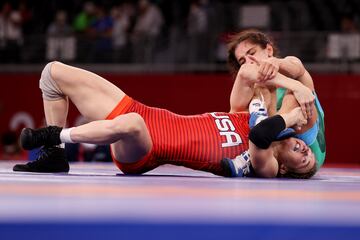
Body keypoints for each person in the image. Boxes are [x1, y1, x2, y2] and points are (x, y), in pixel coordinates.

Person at [12, 58, 314, 178]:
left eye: (305, 161)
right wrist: (295, 85)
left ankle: (53, 136)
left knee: (131, 124)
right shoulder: (248, 113)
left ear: (285, 168)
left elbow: (262, 135)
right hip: (146, 112)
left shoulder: (266, 164)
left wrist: (289, 116)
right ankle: (54, 155)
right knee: (52, 74)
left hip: (145, 148)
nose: (305, 150)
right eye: (308, 150)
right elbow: (248, 73)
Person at [222, 29, 325, 178]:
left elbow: (297, 67)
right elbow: (245, 73)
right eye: (242, 61)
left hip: (307, 145)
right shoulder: (254, 84)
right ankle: (261, 131)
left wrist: (278, 66)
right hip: (274, 148)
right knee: (257, 89)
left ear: (269, 50)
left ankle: (252, 149)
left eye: (252, 53)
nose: (249, 61)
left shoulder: (291, 67)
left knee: (294, 94)